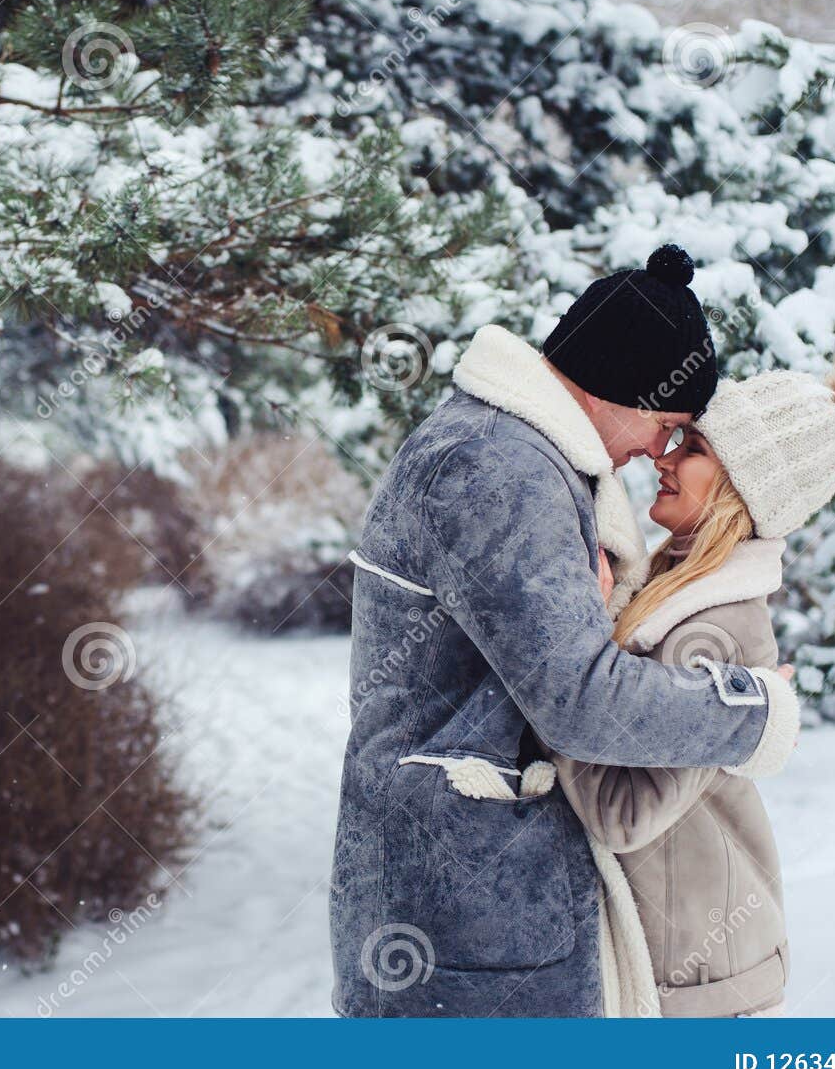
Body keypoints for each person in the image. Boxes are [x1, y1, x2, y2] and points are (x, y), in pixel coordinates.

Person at [331, 243, 801, 1017]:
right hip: (468, 916)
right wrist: (751, 712)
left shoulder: (504, 451)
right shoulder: (499, 470)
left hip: (466, 903)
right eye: (669, 423)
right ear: (621, 383)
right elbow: (579, 697)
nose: (660, 450)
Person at [550, 362, 835, 1017]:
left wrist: (566, 658)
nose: (664, 454)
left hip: (701, 982)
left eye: (693, 449)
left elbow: (620, 813)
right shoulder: (676, 591)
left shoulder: (707, 634)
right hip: (696, 965)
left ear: (743, 490)